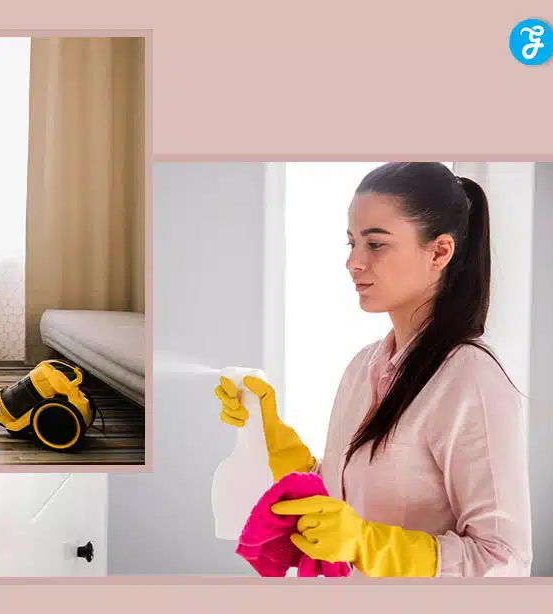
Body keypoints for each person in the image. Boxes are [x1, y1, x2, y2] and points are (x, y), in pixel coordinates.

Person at [216, 162, 533, 577]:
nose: (353, 262)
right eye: (351, 243)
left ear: (439, 252)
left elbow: (504, 561)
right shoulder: (362, 367)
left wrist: (370, 545)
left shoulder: (471, 378)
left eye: (375, 245)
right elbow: (341, 506)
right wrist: (270, 435)